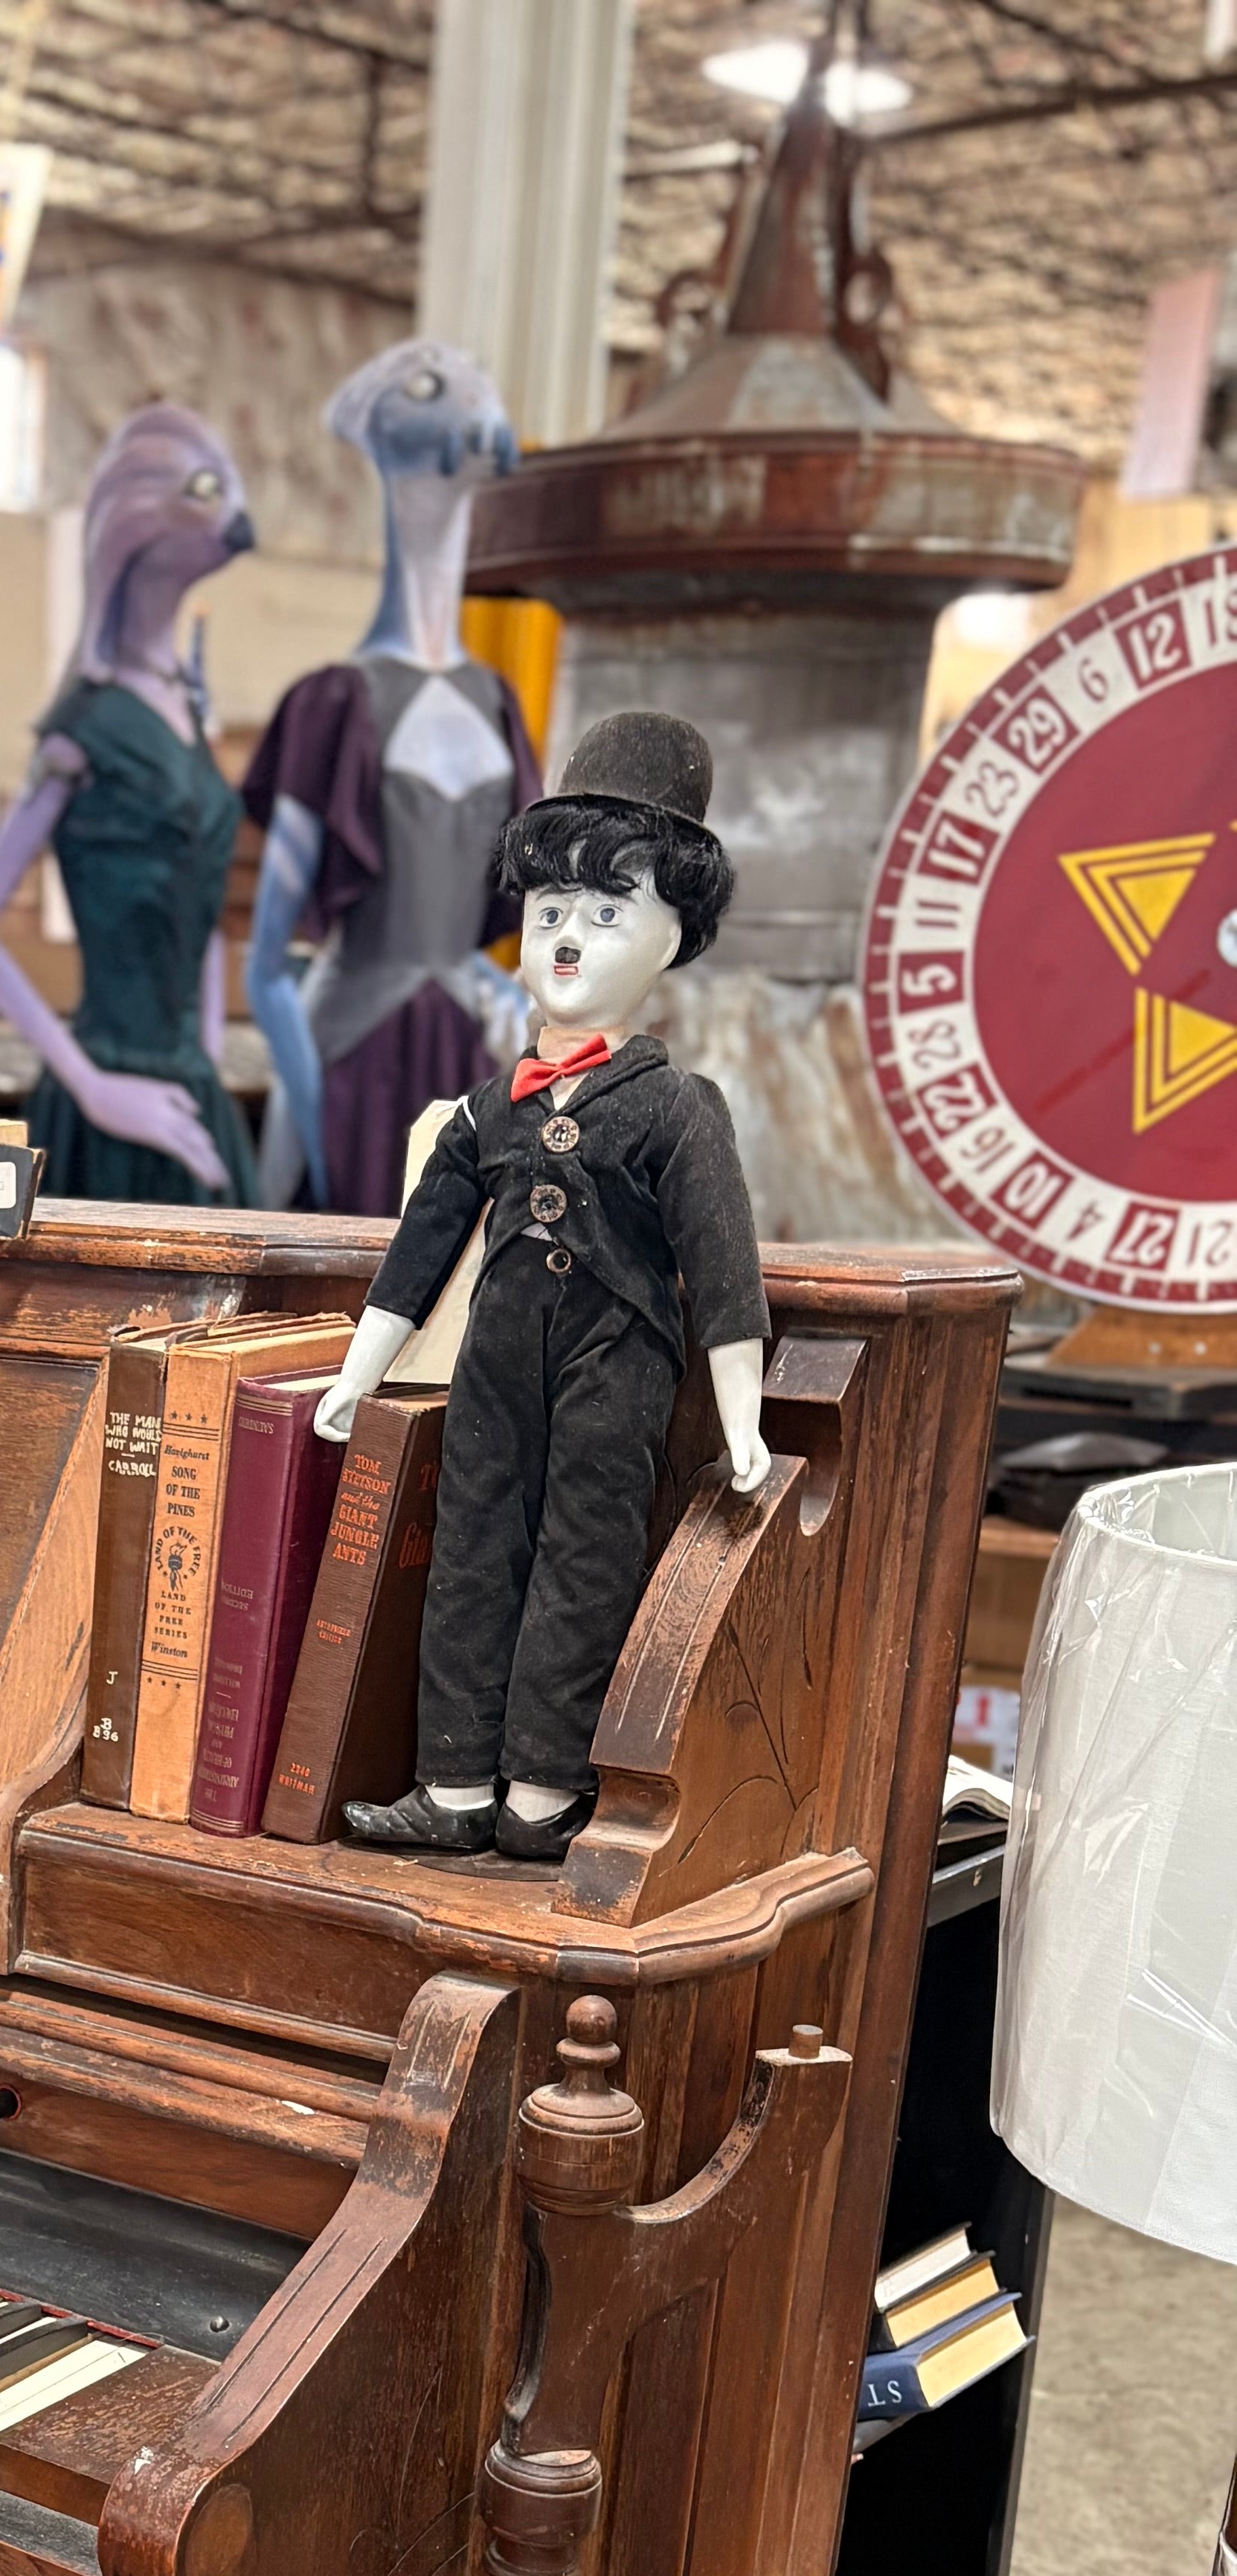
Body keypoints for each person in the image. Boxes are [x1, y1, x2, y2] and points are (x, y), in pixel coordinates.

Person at [311, 712, 773, 1865]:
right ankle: (456, 1783)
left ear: (672, 939)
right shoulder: (487, 1111)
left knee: (585, 1558)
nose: (569, 939)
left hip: (617, 1364)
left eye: (607, 915)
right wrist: (358, 1374)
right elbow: (419, 1252)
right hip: (497, 1361)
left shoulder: (677, 1108)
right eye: (551, 912)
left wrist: (743, 1418)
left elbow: (723, 1268)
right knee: (471, 1550)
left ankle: (543, 1788)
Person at [239, 341, 542, 1214]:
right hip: (355, 1068)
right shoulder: (336, 703)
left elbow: (496, 915)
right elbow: (267, 969)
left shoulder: (496, 702)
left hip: (466, 1064)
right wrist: (307, 1119)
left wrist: (500, 995)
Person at [0, 402, 258, 1207]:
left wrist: (206, 1055)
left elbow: (207, 919)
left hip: (191, 1094)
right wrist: (90, 1085)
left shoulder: (188, 712)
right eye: (203, 493)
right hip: (108, 1095)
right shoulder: (85, 726)